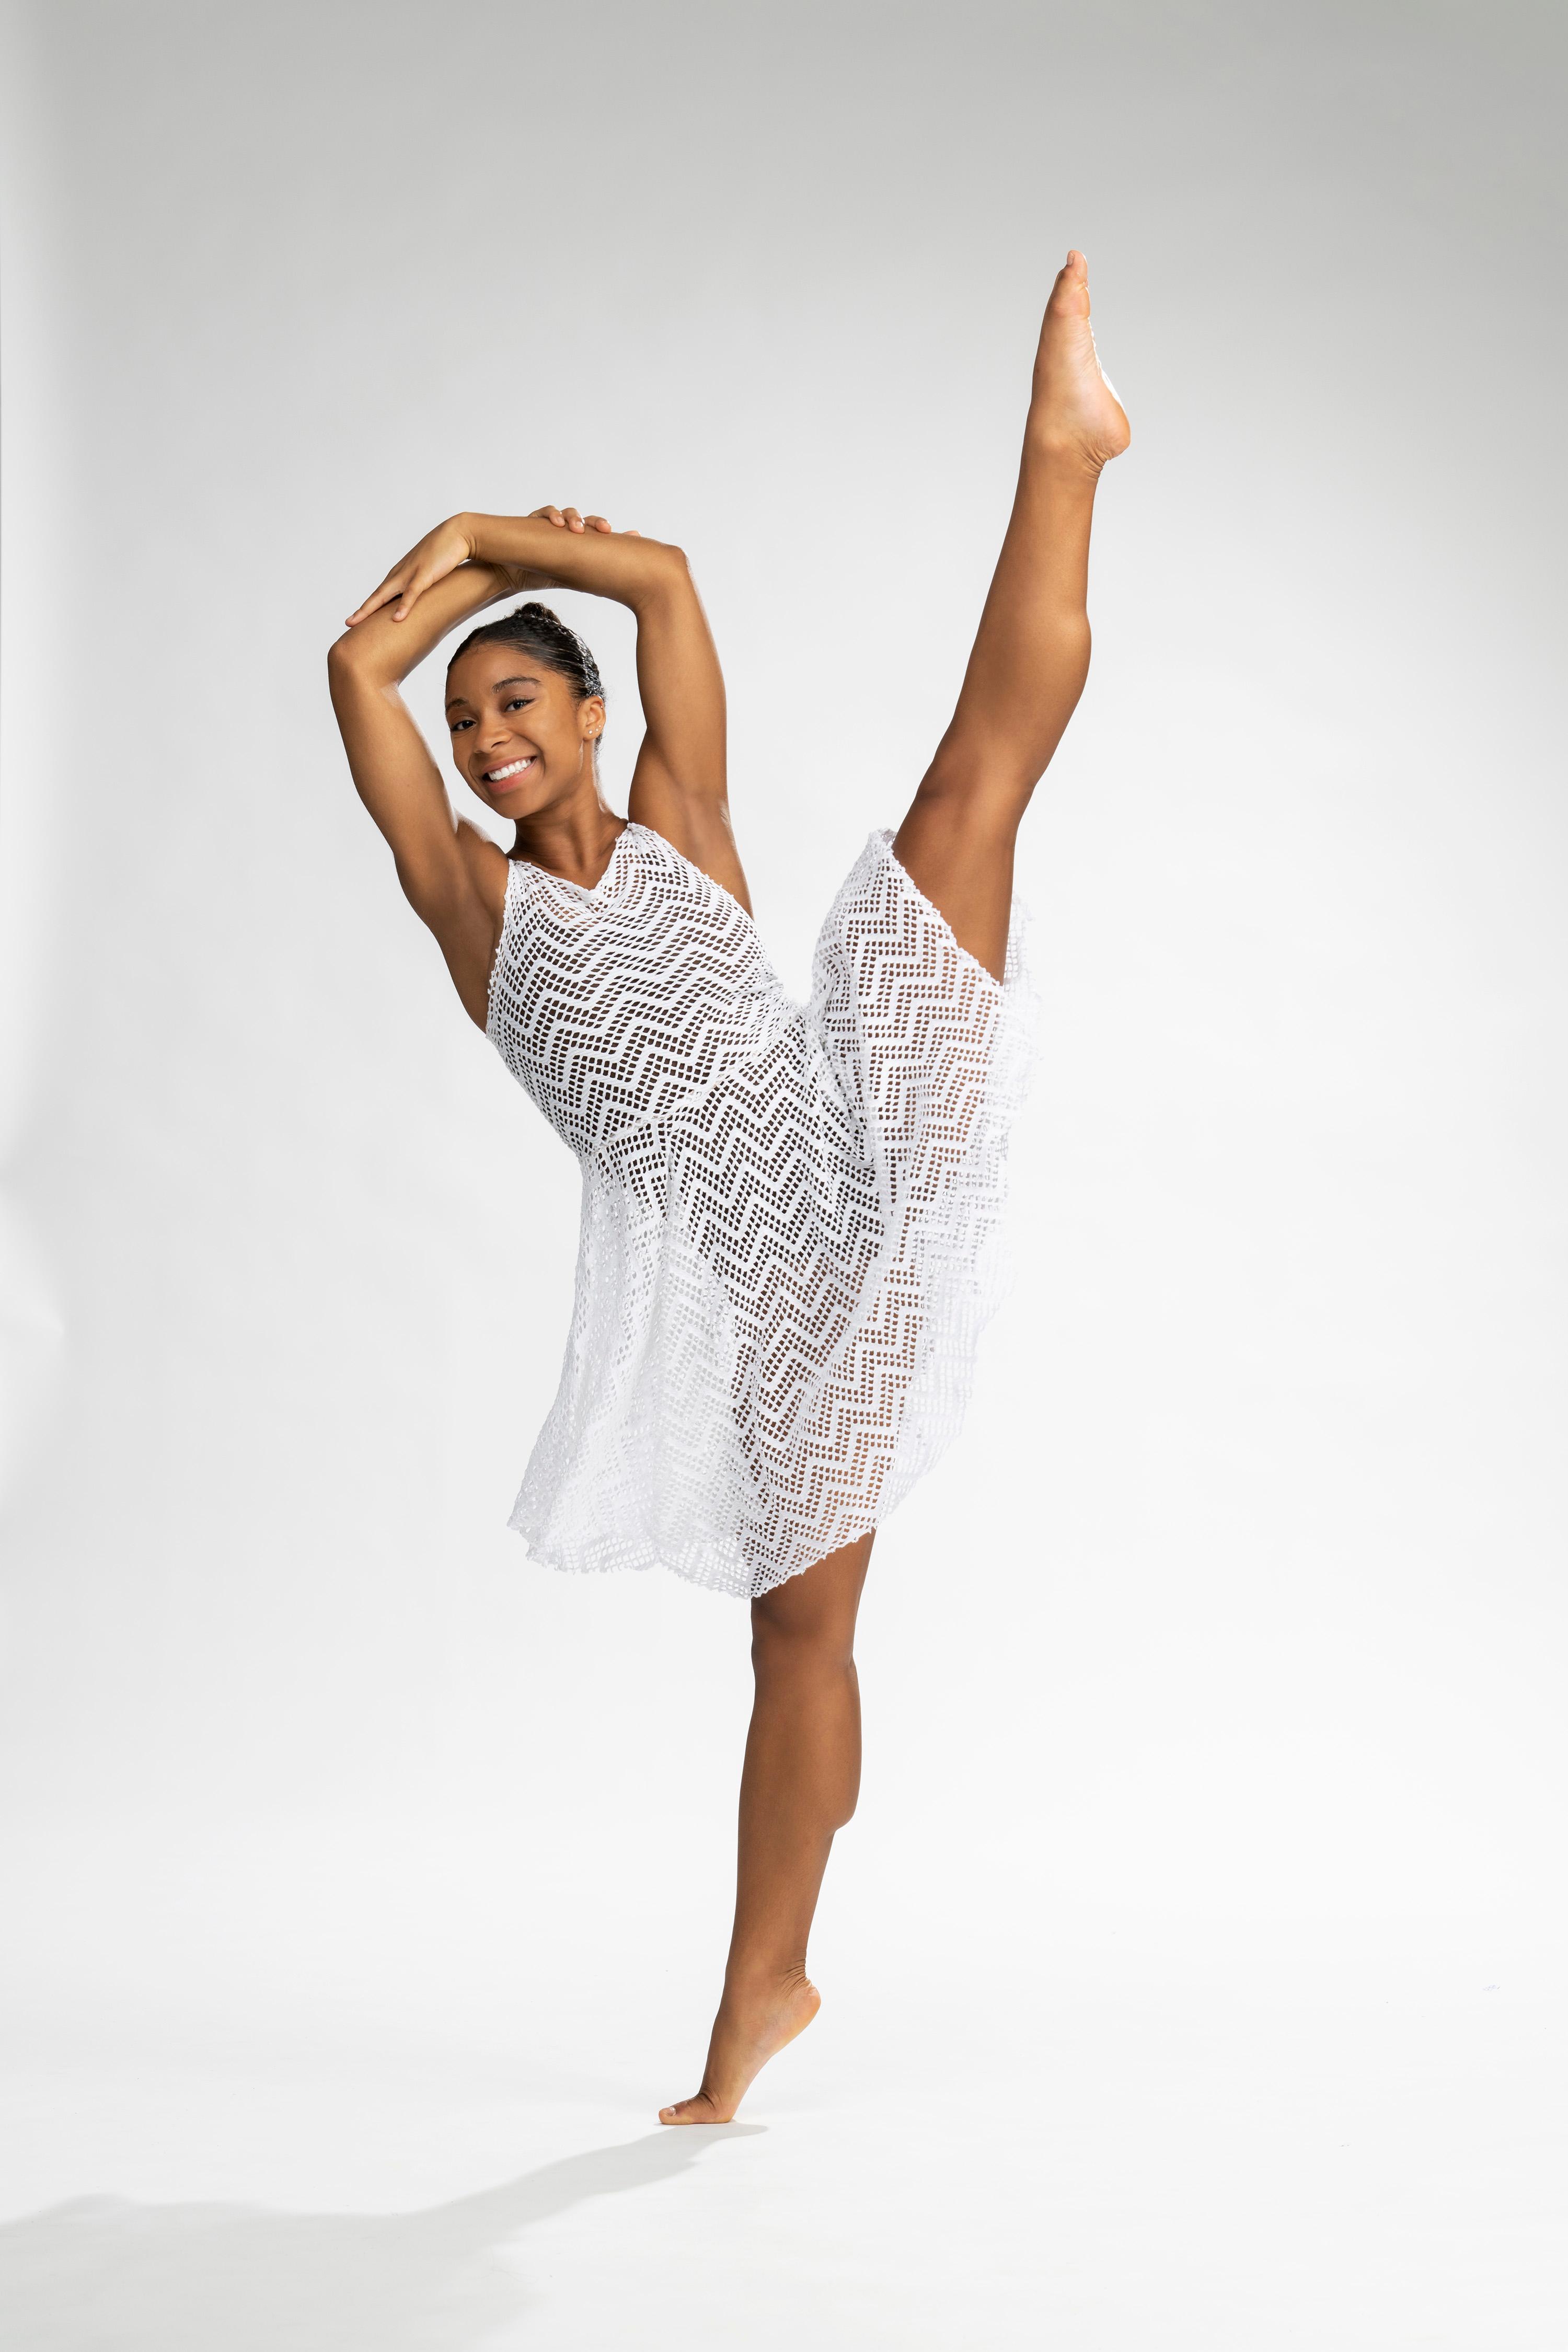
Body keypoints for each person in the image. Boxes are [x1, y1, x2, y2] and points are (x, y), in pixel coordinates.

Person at [327, 250, 1129, 2125]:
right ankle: (764, 1988)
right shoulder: (475, 904)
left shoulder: (684, 814)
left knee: (967, 790)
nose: (488, 734)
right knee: (804, 1645)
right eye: (471, 725)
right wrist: (453, 574)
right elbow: (353, 668)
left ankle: (1067, 448)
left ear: (591, 713)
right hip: (765, 1303)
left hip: (859, 1126)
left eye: (519, 695)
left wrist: (489, 526)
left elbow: (665, 579)